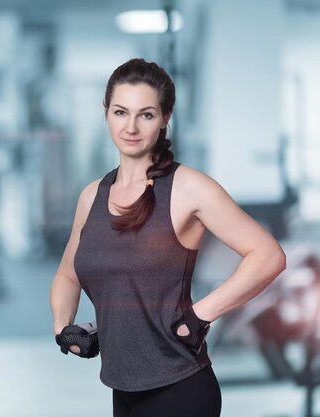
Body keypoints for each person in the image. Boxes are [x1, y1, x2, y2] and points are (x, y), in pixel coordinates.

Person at [49, 58, 287, 417]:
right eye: (120, 112)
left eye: (145, 114)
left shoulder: (189, 187)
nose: (130, 126)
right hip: (122, 388)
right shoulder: (92, 196)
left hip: (179, 389)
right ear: (106, 113)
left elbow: (268, 255)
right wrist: (63, 328)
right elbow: (68, 274)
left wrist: (200, 315)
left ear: (164, 119)